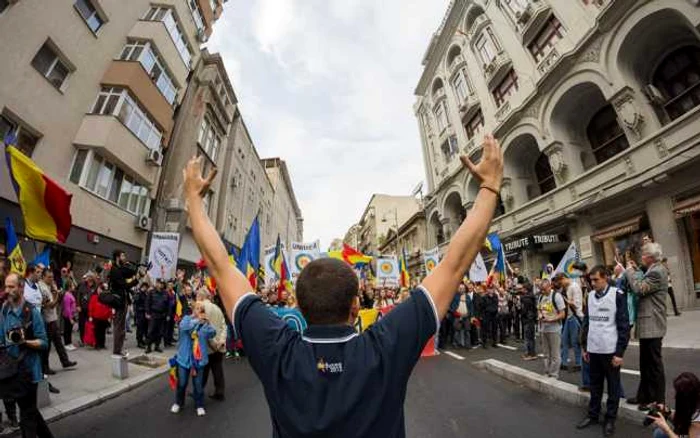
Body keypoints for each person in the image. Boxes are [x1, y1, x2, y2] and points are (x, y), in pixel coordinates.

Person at [181, 132, 503, 436]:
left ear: (299, 304)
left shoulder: (277, 349)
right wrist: (488, 187)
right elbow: (454, 264)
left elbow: (221, 265)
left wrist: (194, 200)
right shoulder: (384, 348)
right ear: (355, 304)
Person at [576, 266, 630, 437]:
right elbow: (587, 323)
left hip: (610, 350)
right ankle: (593, 414)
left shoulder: (617, 295)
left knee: (613, 387)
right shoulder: (590, 296)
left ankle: (610, 419)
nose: (592, 283)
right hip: (593, 349)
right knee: (595, 385)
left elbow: (623, 326)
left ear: (605, 277)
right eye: (590, 280)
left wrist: (619, 353)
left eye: (595, 280)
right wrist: (584, 346)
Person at [0, 273, 53, 438]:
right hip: (11, 371)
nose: (7, 290)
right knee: (29, 409)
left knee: (27, 416)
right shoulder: (4, 309)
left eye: (12, 287)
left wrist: (24, 341)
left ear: (21, 288)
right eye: (6, 286)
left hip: (29, 371)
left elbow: (44, 342)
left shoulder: (31, 312)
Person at [625, 242, 668, 411]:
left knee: (654, 365)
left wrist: (629, 272)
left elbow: (639, 288)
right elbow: (643, 280)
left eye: (643, 254)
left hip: (653, 324)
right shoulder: (652, 269)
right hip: (648, 324)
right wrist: (636, 271)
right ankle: (644, 396)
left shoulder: (657, 271)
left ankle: (658, 401)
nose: (641, 257)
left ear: (649, 257)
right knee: (645, 363)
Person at [170, 302, 216, 417]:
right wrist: (196, 320)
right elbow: (184, 327)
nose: (199, 311)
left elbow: (212, 333)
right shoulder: (186, 319)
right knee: (182, 383)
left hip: (198, 360)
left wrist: (208, 323)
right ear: (193, 310)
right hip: (184, 359)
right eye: (197, 309)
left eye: (202, 309)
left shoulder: (204, 324)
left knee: (198, 385)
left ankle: (199, 405)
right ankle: (178, 403)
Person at [38, 269, 76, 374]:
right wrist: (57, 295)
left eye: (52, 277)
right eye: (49, 277)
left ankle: (65, 361)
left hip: (53, 318)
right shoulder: (42, 288)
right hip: (47, 320)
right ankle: (45, 367)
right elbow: (50, 305)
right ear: (43, 277)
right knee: (48, 345)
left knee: (59, 342)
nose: (51, 279)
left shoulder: (50, 286)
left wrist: (56, 292)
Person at [648, 372, 700, 438]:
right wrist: (667, 411)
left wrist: (666, 428)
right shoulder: (693, 404)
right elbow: (683, 419)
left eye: (677, 394)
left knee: (660, 434)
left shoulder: (696, 422)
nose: (674, 396)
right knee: (659, 432)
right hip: (685, 433)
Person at [197, 289, 227, 401]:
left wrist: (213, 343)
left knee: (203, 370)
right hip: (219, 345)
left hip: (207, 345)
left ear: (201, 296)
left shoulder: (200, 307)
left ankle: (198, 391)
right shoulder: (217, 308)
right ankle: (220, 392)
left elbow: (203, 327)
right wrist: (221, 341)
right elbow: (224, 326)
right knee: (217, 369)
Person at [108, 250, 137, 357]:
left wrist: (135, 271)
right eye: (123, 256)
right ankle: (117, 351)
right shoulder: (115, 270)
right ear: (117, 257)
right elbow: (125, 285)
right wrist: (136, 279)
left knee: (121, 327)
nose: (125, 257)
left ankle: (119, 349)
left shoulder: (120, 268)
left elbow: (129, 273)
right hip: (118, 301)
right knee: (119, 327)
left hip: (122, 300)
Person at [555, 272, 584, 372]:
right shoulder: (567, 288)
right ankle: (563, 363)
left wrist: (565, 300)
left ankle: (579, 363)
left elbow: (576, 304)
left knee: (575, 341)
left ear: (563, 278)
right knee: (564, 340)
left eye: (560, 282)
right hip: (569, 317)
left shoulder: (574, 287)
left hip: (575, 317)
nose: (560, 284)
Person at [537, 278, 565, 379]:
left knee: (555, 354)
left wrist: (551, 319)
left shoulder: (556, 296)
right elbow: (539, 309)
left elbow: (562, 314)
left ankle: (554, 374)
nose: (543, 292)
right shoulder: (541, 297)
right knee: (545, 353)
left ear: (550, 287)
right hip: (543, 329)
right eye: (541, 290)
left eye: (544, 289)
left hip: (554, 329)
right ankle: (547, 372)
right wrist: (540, 315)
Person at [145, 280, 169, 354]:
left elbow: (167, 305)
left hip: (162, 315)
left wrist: (168, 314)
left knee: (160, 332)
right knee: (150, 331)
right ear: (156, 283)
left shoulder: (165, 293)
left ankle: (157, 346)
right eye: (159, 283)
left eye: (162, 284)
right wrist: (147, 312)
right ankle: (148, 347)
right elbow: (147, 303)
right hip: (153, 314)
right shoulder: (151, 292)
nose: (160, 285)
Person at [88, 284, 112, 350]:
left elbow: (109, 307)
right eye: (98, 289)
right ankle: (97, 344)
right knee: (97, 332)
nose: (99, 290)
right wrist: (90, 316)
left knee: (103, 331)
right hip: (96, 317)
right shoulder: (94, 297)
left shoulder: (106, 297)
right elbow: (90, 307)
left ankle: (102, 344)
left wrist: (110, 316)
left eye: (101, 289)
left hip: (104, 317)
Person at [519, 282, 538, 360]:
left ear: (526, 289)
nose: (522, 289)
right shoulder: (532, 297)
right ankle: (532, 353)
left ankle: (529, 354)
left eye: (523, 288)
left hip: (527, 319)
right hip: (532, 318)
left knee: (527, 337)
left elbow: (524, 310)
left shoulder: (525, 299)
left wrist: (521, 313)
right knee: (531, 337)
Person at [132, 282, 149, 349]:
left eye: (146, 287)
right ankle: (139, 342)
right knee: (140, 329)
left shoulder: (145, 294)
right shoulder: (138, 294)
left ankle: (142, 341)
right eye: (145, 287)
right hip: (140, 313)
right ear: (142, 287)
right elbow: (136, 304)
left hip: (144, 313)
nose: (146, 288)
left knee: (144, 328)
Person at [61, 283, 77, 350]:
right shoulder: (67, 295)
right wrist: (70, 318)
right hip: (68, 315)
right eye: (72, 286)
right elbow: (67, 308)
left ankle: (70, 343)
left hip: (72, 314)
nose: (74, 287)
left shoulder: (70, 294)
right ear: (69, 287)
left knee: (70, 330)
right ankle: (67, 344)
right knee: (67, 330)